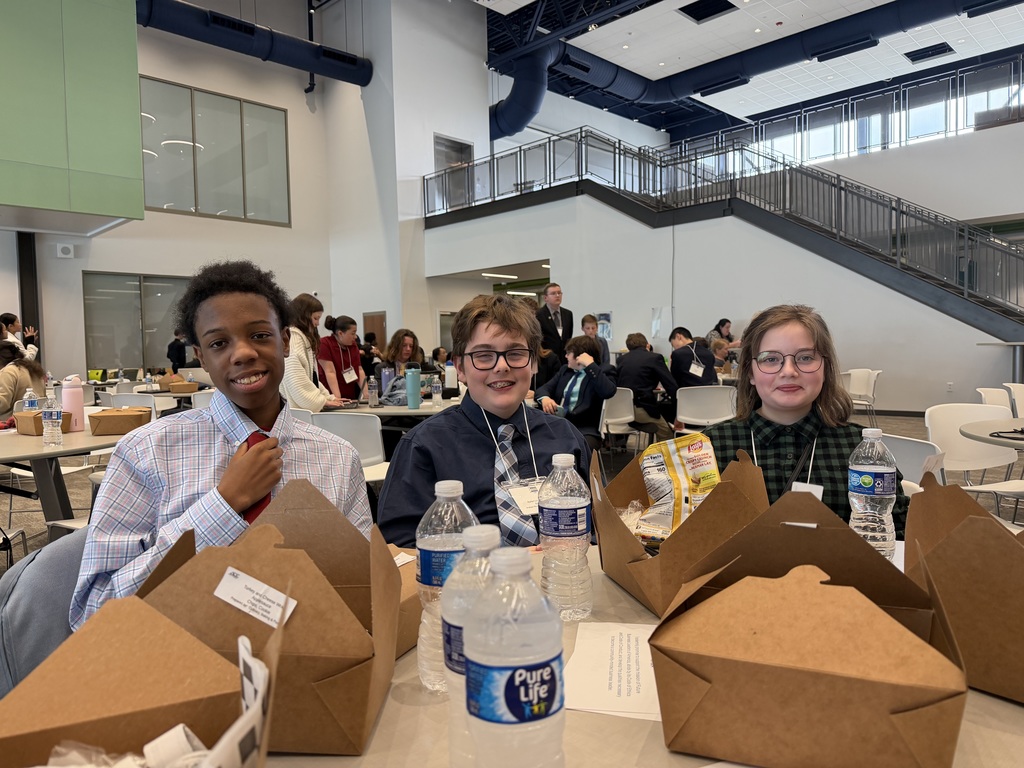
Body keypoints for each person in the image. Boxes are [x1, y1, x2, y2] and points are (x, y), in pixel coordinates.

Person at [70, 260, 372, 630]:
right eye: (218, 343)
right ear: (201, 357)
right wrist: (224, 505)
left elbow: (362, 594)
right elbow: (93, 616)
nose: (243, 353)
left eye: (260, 335)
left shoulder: (338, 459)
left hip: (311, 665)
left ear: (287, 342)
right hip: (175, 666)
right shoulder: (146, 452)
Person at [377, 294, 590, 548]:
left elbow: (600, 526)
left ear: (533, 363)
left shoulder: (565, 437)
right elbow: (400, 545)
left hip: (562, 577)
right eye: (484, 356)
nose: (501, 367)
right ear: (460, 368)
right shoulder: (423, 446)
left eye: (515, 353)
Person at [704, 304, 908, 537]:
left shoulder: (862, 451)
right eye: (770, 359)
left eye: (805, 357)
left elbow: (898, 533)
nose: (789, 371)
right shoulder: (710, 448)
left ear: (825, 368)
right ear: (750, 372)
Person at [535, 335, 617, 451]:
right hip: (559, 424)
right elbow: (543, 389)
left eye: (569, 353)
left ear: (580, 356)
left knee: (575, 449)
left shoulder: (602, 371)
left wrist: (590, 366)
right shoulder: (565, 370)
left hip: (586, 429)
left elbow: (608, 391)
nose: (566, 356)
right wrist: (545, 399)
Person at [280, 293, 344, 413]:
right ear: (303, 316)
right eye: (315, 318)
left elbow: (310, 379)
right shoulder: (294, 338)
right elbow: (295, 379)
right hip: (297, 414)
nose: (317, 323)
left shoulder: (300, 338)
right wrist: (322, 401)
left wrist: (328, 397)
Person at [614, 332, 677, 442]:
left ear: (629, 347)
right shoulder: (655, 358)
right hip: (641, 408)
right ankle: (662, 457)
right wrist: (679, 408)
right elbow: (671, 385)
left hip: (622, 409)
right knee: (667, 434)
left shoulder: (621, 360)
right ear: (647, 345)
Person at [318, 314, 364, 401]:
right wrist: (337, 398)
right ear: (340, 333)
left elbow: (359, 369)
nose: (355, 337)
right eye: (353, 333)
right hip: (331, 396)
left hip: (350, 396)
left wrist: (367, 395)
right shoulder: (325, 343)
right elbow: (330, 372)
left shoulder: (353, 345)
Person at [0, 341, 45, 419]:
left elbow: (2, 404)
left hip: (11, 422)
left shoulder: (8, 372)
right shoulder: (32, 369)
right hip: (33, 420)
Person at [535, 283, 573, 366]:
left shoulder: (568, 314)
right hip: (547, 360)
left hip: (565, 360)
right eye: (553, 293)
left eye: (559, 293)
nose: (557, 295)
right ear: (545, 298)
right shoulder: (539, 315)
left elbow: (568, 337)